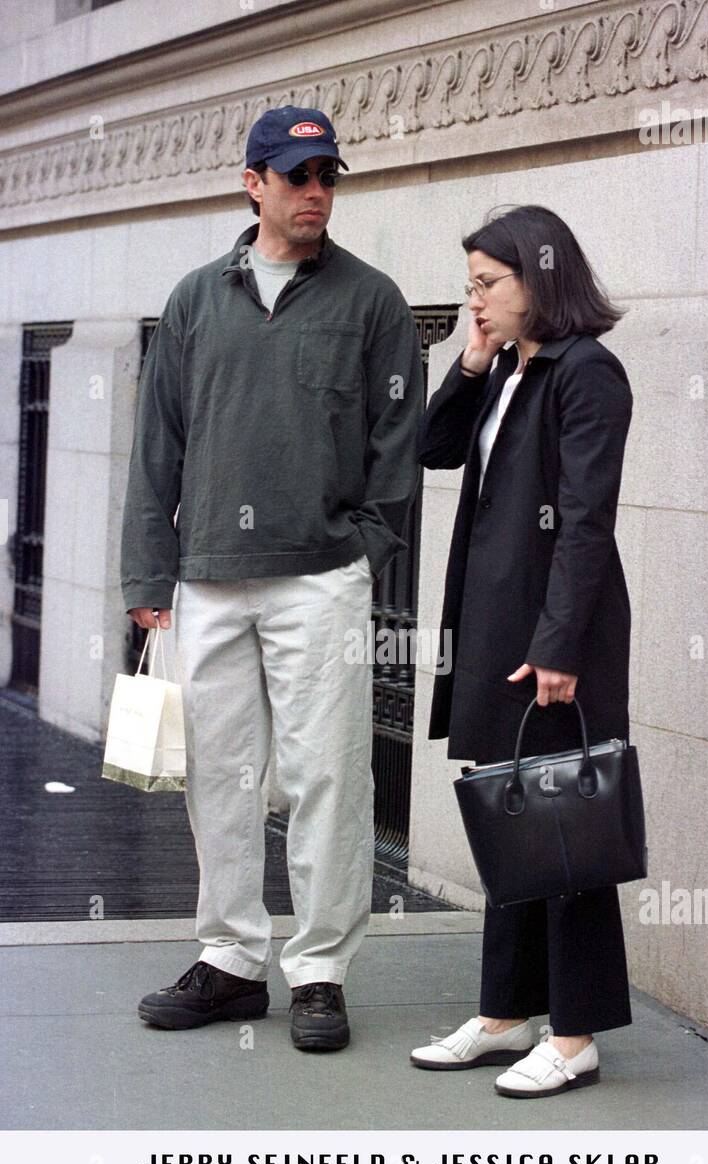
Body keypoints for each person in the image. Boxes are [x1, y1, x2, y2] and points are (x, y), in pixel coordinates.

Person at [121, 106, 424, 1050]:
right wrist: (149, 569)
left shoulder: (372, 301)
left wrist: (365, 549)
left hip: (320, 577)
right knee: (220, 773)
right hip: (209, 576)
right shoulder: (194, 299)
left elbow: (397, 447)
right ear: (253, 183)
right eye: (297, 177)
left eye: (327, 176)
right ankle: (231, 960)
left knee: (330, 774)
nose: (316, 193)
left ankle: (321, 970)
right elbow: (156, 444)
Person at [410, 204, 634, 1097]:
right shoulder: (506, 369)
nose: (477, 303)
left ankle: (575, 1034)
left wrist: (558, 647)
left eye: (488, 286)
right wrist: (468, 365)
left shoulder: (589, 374)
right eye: (469, 288)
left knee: (568, 830)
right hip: (501, 632)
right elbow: (431, 448)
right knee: (513, 819)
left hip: (554, 640)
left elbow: (586, 522)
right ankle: (506, 1017)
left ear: (541, 280)